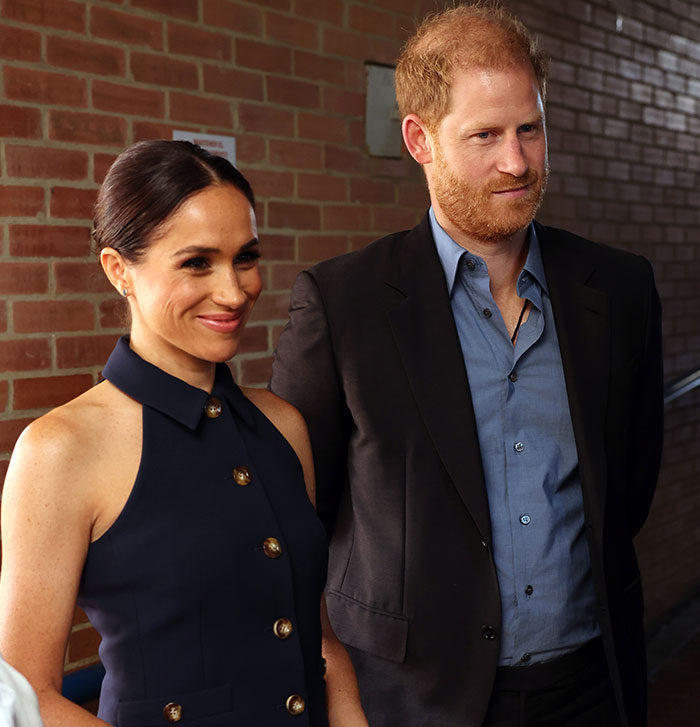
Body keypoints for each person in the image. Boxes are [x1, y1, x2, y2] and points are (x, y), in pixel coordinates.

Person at [270, 5, 663, 727]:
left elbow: (629, 486)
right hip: (412, 699)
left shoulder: (622, 289)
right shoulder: (342, 304)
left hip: (591, 686)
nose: (516, 162)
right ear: (419, 139)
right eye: (484, 135)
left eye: (530, 129)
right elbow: (297, 525)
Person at [0, 140, 368, 727]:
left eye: (245, 258)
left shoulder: (283, 424)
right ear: (119, 270)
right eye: (197, 263)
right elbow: (27, 697)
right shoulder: (60, 447)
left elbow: (317, 639)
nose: (234, 291)